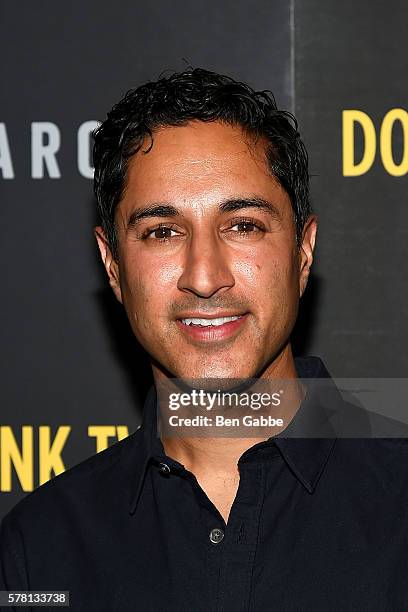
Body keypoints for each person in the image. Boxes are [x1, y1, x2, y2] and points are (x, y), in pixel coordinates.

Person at [1, 68, 408, 612]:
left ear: (303, 251)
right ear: (113, 266)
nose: (205, 274)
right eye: (162, 232)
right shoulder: (40, 550)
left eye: (243, 225)